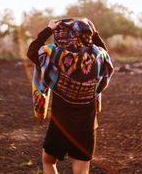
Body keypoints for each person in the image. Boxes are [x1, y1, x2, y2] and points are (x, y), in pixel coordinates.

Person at [27, 18, 114, 174]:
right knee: (81, 171)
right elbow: (105, 53)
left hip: (60, 125)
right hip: (86, 126)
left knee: (48, 161)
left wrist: (48, 30)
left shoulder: (53, 55)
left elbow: (32, 52)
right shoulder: (99, 57)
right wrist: (95, 34)